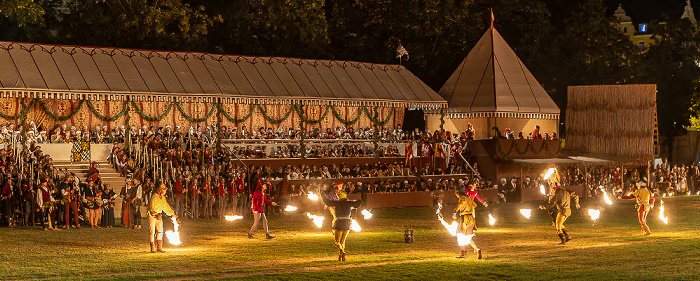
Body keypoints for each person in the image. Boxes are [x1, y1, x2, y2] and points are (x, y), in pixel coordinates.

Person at [321, 189, 363, 262]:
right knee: (343, 242)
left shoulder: (337, 203)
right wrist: (354, 201)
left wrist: (322, 196)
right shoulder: (349, 203)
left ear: (339, 198)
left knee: (337, 242)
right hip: (347, 223)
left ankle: (342, 251)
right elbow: (359, 202)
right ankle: (340, 257)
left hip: (339, 223)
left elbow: (327, 202)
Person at [452, 187, 483, 259]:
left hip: (465, 219)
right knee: (468, 236)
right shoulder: (469, 198)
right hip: (471, 218)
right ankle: (477, 249)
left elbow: (461, 204)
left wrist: (454, 212)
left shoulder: (462, 198)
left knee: (460, 235)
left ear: (458, 193)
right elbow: (475, 205)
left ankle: (463, 254)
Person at [147, 183, 177, 253]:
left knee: (160, 231)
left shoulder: (162, 198)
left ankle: (159, 247)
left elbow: (166, 207)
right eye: (164, 190)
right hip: (152, 216)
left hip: (159, 216)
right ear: (160, 190)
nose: (165, 191)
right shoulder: (154, 196)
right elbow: (152, 208)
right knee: (152, 232)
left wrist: (172, 214)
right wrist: (156, 214)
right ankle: (152, 247)